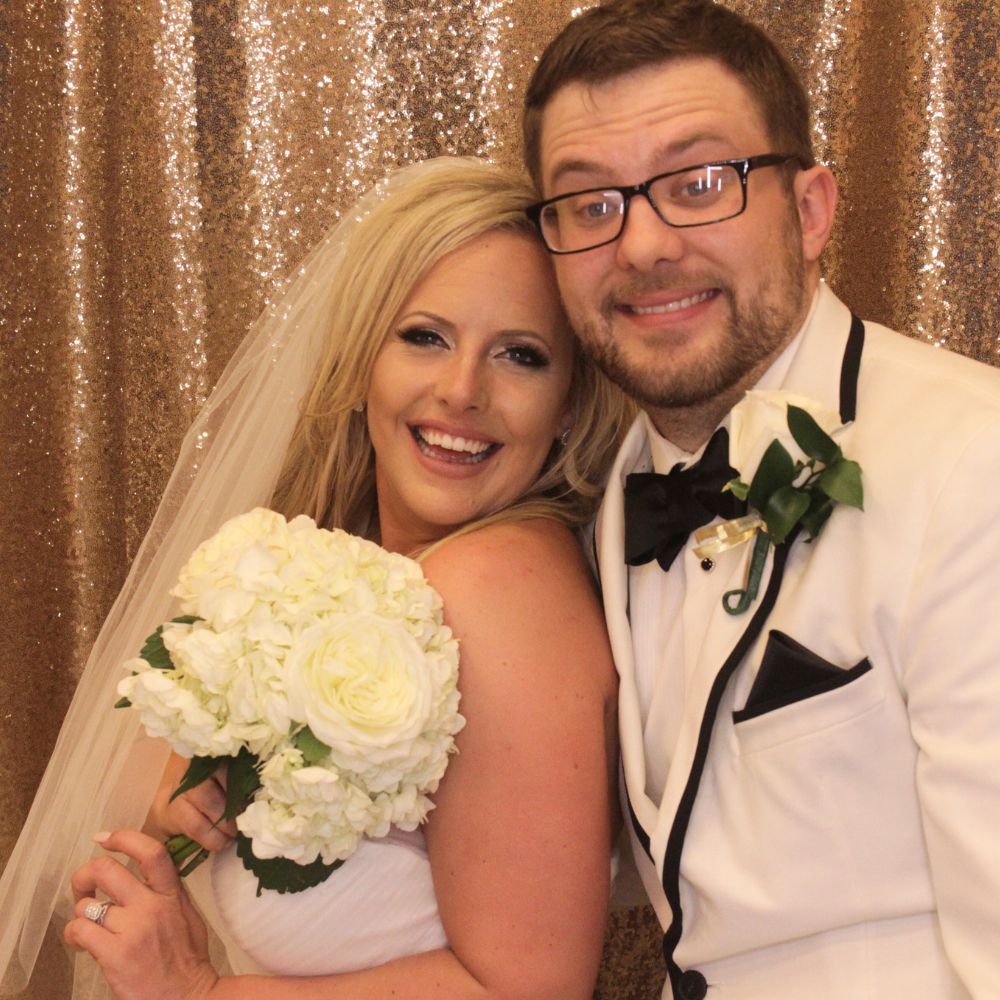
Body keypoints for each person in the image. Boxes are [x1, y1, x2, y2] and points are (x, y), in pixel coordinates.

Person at [0, 157, 634, 999]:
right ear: (363, 356)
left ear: (568, 407)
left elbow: (525, 990)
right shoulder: (361, 574)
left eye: (521, 355)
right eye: (425, 336)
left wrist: (199, 993)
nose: (461, 390)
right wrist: (195, 806)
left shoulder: (498, 585)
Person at [521, 1, 1000, 998]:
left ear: (811, 209)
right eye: (590, 203)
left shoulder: (974, 459)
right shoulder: (599, 503)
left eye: (701, 183)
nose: (643, 244)